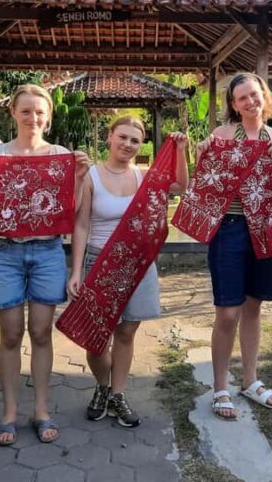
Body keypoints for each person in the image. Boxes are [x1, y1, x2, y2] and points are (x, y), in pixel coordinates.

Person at [0, 84, 90, 446]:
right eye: (25, 111)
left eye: (39, 112)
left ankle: (41, 410)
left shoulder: (60, 156)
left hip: (47, 251)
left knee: (40, 332)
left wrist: (78, 179)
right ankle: (9, 413)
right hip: (4, 252)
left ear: (48, 116)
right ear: (13, 114)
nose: (32, 118)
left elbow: (69, 212)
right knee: (10, 335)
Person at [67, 116, 188, 427]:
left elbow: (179, 186)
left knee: (126, 332)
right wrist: (76, 271)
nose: (128, 144)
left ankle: (117, 394)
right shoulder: (90, 175)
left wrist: (181, 151)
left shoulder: (143, 176)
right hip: (99, 261)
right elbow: (80, 225)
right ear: (110, 136)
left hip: (136, 263)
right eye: (122, 137)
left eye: (135, 140)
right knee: (96, 337)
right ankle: (102, 386)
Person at [196, 72, 272, 421]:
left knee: (253, 307)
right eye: (242, 98)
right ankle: (220, 386)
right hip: (229, 228)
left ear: (264, 95)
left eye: (254, 94)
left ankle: (250, 379)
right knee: (227, 312)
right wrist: (202, 154)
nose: (251, 102)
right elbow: (205, 184)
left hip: (264, 226)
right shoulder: (221, 135)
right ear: (234, 105)